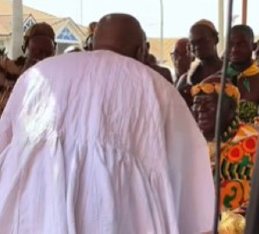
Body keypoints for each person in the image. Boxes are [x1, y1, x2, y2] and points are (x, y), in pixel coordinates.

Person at [0, 13, 215, 233]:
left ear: (93, 44)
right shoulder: (157, 90)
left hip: (32, 215)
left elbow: (4, 143)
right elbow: (192, 185)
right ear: (140, 51)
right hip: (116, 219)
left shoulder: (35, 76)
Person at [191, 76, 259, 233]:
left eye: (209, 103)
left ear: (231, 109)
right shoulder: (187, 142)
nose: (201, 108)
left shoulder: (254, 142)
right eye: (196, 103)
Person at [0, 22, 56, 115]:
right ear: (25, 48)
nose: (42, 58)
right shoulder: (4, 68)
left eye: (47, 54)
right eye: (37, 52)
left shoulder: (57, 79)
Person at [176, 19, 222, 108]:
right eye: (193, 43)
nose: (197, 46)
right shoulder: (186, 80)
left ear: (216, 39)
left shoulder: (231, 74)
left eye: (202, 41)